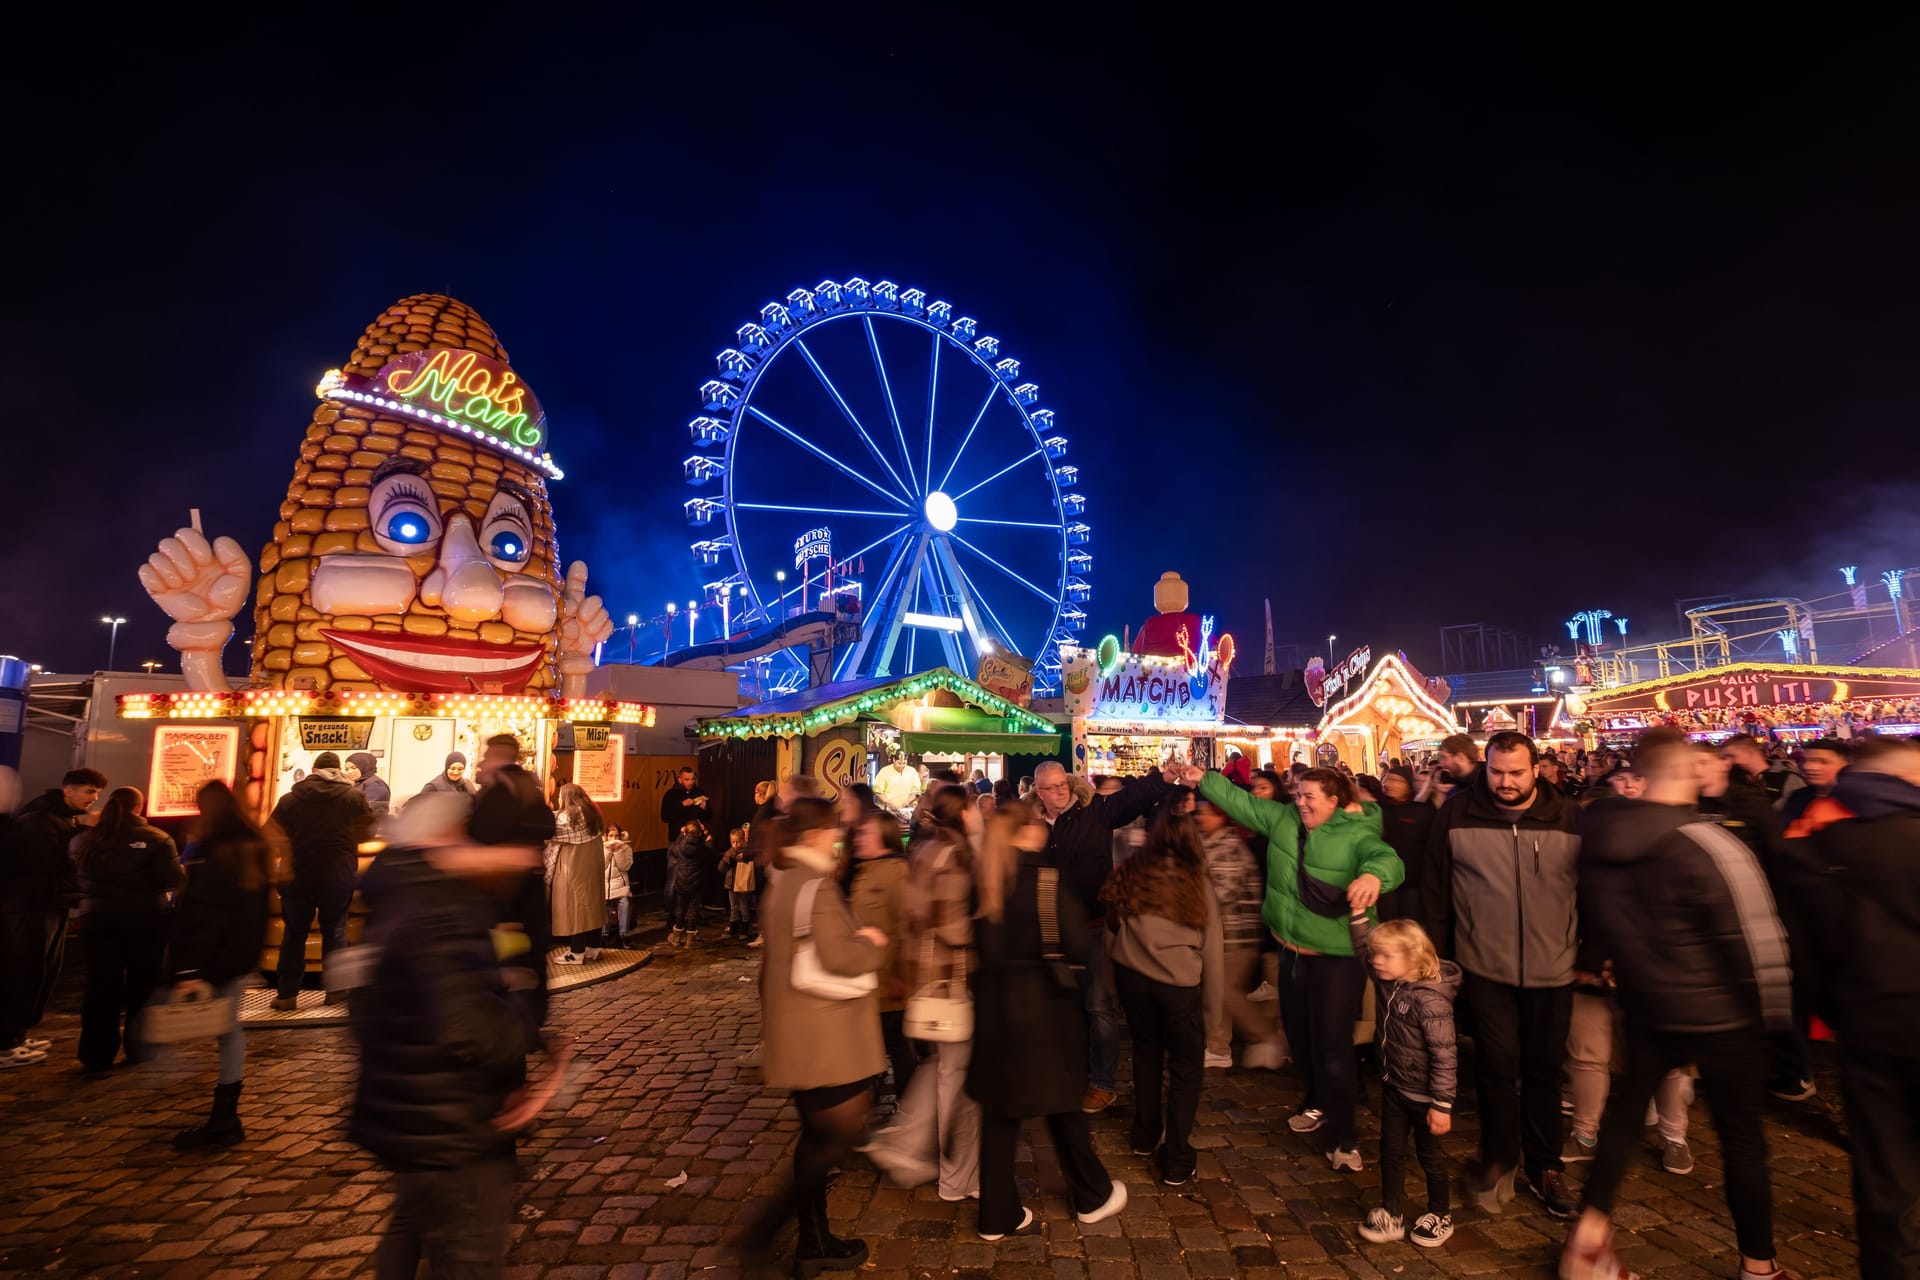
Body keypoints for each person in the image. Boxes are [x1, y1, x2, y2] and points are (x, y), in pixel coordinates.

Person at [1562, 728, 1793, 1280]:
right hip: (1725, 1014)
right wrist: (1779, 1021)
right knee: (1741, 1139)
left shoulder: (1597, 839)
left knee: (1622, 1120)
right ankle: (1759, 1265)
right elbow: (1757, 937)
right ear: (1685, 771)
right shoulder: (1707, 841)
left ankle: (1587, 1243)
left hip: (1647, 1004)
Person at [348, 790, 552, 1280]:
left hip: (405, 1107)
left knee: (413, 1223)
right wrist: (522, 1009)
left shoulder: (395, 895)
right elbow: (471, 1026)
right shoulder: (440, 909)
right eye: (459, 832)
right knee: (468, 1254)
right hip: (450, 1118)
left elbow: (365, 1012)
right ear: (440, 838)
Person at [1193, 764, 1402, 1172]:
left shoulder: (1357, 832)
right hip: (1290, 952)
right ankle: (1316, 1100)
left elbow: (1387, 859)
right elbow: (1239, 801)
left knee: (1332, 1044)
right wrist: (1201, 779)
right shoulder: (1283, 818)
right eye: (1298, 794)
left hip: (1336, 958)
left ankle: (1345, 1138)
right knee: (1301, 1040)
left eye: (1309, 796)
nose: (1301, 802)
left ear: (1334, 801)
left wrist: (1375, 877)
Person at [1423, 731, 1581, 1219]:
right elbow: (1435, 892)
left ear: (1536, 769)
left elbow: (1591, 889)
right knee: (1495, 1068)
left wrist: (1591, 954)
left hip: (1554, 966)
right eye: (1496, 771)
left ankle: (1545, 1165)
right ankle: (1499, 1157)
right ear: (1483, 767)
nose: (1506, 781)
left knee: (1543, 1070)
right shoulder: (1456, 814)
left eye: (1516, 772)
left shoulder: (1570, 818)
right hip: (1483, 966)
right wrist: (1440, 963)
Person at [737, 796, 888, 1276]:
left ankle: (811, 1239)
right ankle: (772, 1236)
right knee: (832, 1137)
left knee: (818, 1138)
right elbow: (839, 958)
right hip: (826, 1032)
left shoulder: (784, 881)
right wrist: (871, 943)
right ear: (818, 833)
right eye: (833, 828)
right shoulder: (814, 886)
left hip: (800, 1028)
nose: (840, 835)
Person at [967, 800, 1128, 1240]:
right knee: (1061, 1102)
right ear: (1029, 832)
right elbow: (1076, 943)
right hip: (1041, 1008)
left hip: (994, 1007)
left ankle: (997, 1215)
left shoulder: (984, 881)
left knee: (1002, 1114)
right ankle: (1092, 1195)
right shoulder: (1045, 881)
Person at [1798, 736, 1920, 1279]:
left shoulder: (1825, 842)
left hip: (1865, 1026)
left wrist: (1835, 1010)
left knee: (1882, 1176)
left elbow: (1807, 945)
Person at [1564, 780, 1696, 1175]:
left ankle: (1672, 1137)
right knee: (1589, 1056)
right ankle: (1588, 1134)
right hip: (1600, 970)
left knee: (1660, 1061)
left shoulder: (1658, 858)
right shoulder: (1582, 863)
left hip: (1645, 973)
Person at [1030, 759, 1175, 1113]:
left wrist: (1162, 779)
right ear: (1039, 792)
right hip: (1049, 928)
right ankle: (1063, 1071)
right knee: (1058, 1005)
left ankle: (1102, 1082)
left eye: (1063, 783)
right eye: (1051, 787)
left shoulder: (1094, 810)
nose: (1060, 791)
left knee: (1099, 1006)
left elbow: (1130, 801)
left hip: (1092, 925)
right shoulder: (1029, 825)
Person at [866, 786, 981, 1201]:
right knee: (958, 1081)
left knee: (942, 1068)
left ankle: (905, 1143)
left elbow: (913, 919)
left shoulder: (926, 850)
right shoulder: (955, 858)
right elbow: (949, 925)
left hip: (927, 979)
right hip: (952, 981)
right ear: (964, 814)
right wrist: (984, 930)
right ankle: (955, 1177)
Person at [1104, 808, 1223, 1187]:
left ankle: (1144, 1134)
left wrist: (1114, 972)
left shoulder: (1133, 869)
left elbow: (1112, 924)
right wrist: (1213, 1014)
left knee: (1146, 1052)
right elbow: (1213, 949)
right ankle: (1176, 1156)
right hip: (1178, 984)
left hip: (1133, 976)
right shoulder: (1196, 880)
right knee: (1186, 1070)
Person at [168, 780, 272, 1150]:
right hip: (237, 955)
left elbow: (205, 914)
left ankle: (224, 1117)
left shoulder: (214, 852)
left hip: (213, 957)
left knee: (207, 1028)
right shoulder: (253, 845)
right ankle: (224, 1112)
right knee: (228, 1032)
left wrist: (187, 969)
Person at [1350, 912, 1458, 1249]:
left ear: (1414, 958)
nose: (1376, 961)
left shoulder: (1430, 1001)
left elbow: (1444, 1056)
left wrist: (1442, 1105)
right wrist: (1357, 917)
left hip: (1425, 1098)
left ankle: (1440, 1214)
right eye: (1376, 954)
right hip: (1394, 1087)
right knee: (1391, 1151)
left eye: (1386, 955)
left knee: (1431, 1157)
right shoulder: (1388, 981)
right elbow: (1361, 950)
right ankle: (1391, 1212)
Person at [73, 786, 185, 1073]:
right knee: (143, 984)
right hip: (146, 919)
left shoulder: (87, 839)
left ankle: (96, 1056)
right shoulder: (158, 839)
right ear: (139, 807)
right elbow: (172, 878)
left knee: (101, 985)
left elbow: (74, 873)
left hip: (97, 919)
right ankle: (140, 1049)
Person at [1, 766, 103, 1066]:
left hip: (48, 905)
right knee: (24, 971)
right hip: (30, 907)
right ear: (67, 790)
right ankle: (6, 1041)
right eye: (88, 791)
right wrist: (84, 834)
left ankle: (18, 1034)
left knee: (43, 971)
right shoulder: (40, 820)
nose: (93, 798)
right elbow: (47, 862)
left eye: (96, 793)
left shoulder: (59, 818)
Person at [269, 750, 373, 1010]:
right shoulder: (354, 797)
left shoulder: (290, 800)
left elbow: (269, 833)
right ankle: (336, 991)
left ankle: (286, 994)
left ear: (314, 771)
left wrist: (288, 851)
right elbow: (368, 830)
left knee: (293, 933)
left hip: (297, 876)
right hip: (336, 876)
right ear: (337, 770)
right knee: (335, 931)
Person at [1195, 796, 1284, 1069]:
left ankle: (1264, 1036)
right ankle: (1218, 1047)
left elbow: (1220, 893)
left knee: (1224, 992)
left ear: (1222, 818)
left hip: (1236, 935)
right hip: (1220, 934)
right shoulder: (1208, 843)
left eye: (1207, 814)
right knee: (1217, 991)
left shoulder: (1228, 847)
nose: (1201, 818)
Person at [842, 810, 912, 1106]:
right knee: (887, 1048)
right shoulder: (865, 870)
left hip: (888, 983)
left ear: (883, 836)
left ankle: (905, 1108)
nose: (858, 839)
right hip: (868, 982)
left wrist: (900, 975)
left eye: (865, 833)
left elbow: (907, 925)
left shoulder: (897, 873)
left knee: (894, 1049)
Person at [544, 784, 606, 964]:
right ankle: (594, 948)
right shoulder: (593, 813)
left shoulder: (568, 816)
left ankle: (576, 953)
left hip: (573, 869)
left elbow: (550, 831)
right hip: (592, 870)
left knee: (575, 908)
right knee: (591, 906)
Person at [1376, 766, 1433, 927]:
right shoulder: (1378, 809)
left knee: (1410, 925)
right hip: (1385, 880)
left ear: (1409, 784)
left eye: (1395, 780)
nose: (1388, 784)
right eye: (1386, 779)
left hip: (1412, 882)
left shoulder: (1422, 810)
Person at [1723, 734, 1806, 811]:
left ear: (1749, 753)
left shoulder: (1788, 778)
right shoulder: (1734, 779)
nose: (1728, 761)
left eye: (1732, 756)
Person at [667, 820, 709, 948]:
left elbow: (672, 850)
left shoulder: (680, 846)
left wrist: (681, 835)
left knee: (680, 908)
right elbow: (710, 853)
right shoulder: (702, 846)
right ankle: (690, 940)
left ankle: (677, 936)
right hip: (696, 882)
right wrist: (707, 835)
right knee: (693, 909)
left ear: (685, 832)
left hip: (681, 881)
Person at [720, 825, 757, 941]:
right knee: (733, 906)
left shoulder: (747, 852)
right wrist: (726, 861)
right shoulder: (729, 852)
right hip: (731, 884)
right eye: (733, 842)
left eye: (738, 842)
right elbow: (721, 868)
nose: (735, 845)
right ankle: (733, 927)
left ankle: (745, 927)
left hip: (742, 884)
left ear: (743, 841)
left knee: (743, 906)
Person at [602, 825, 635, 945]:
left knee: (625, 902)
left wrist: (618, 851)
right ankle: (604, 934)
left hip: (621, 884)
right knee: (604, 905)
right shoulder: (600, 848)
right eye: (611, 835)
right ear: (606, 836)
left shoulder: (626, 848)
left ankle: (624, 934)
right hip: (604, 885)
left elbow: (625, 866)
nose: (613, 838)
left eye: (616, 836)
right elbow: (601, 866)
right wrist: (608, 850)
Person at [660, 765, 710, 837]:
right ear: (680, 780)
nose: (690, 782)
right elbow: (665, 817)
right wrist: (682, 805)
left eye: (693, 779)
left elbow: (709, 816)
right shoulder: (671, 794)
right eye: (687, 779)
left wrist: (705, 808)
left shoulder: (699, 792)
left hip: (697, 837)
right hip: (678, 838)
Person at [874, 755, 921, 819]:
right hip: (887, 811)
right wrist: (889, 803)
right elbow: (878, 792)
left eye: (904, 763)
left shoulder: (912, 771)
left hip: (906, 811)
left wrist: (907, 802)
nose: (902, 766)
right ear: (893, 760)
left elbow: (916, 791)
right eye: (899, 763)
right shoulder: (884, 771)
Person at [345, 752, 391, 817]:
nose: (349, 772)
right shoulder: (357, 783)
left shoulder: (376, 785)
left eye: (353, 768)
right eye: (347, 769)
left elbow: (370, 812)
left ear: (364, 766)